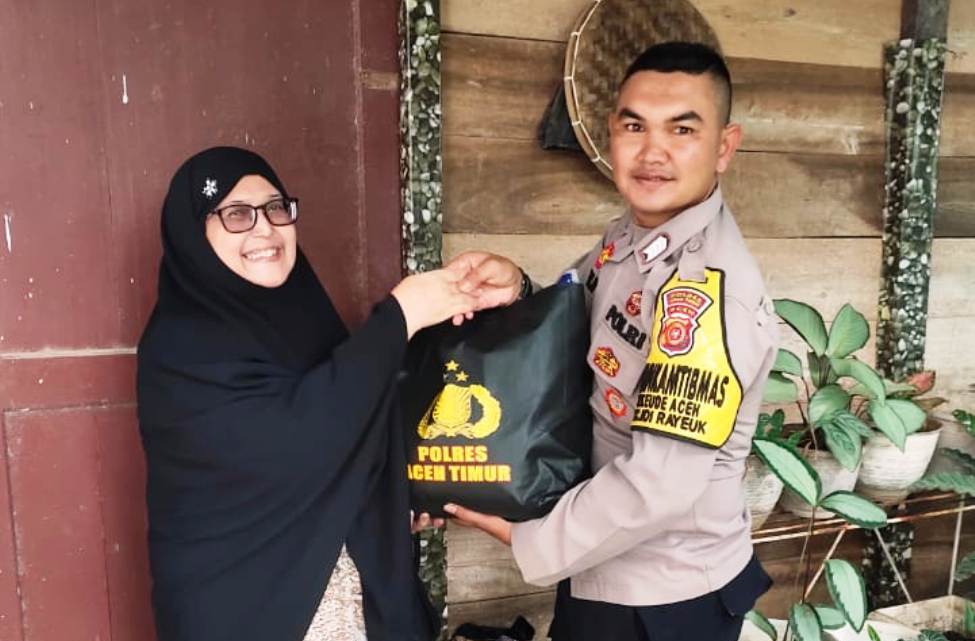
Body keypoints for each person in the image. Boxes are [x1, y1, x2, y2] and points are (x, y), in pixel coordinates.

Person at [444, 42, 778, 641]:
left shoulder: (703, 295)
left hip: (662, 600)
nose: (652, 153)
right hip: (601, 560)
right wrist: (520, 288)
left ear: (724, 147)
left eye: (682, 129)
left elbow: (659, 482)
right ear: (610, 134)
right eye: (634, 126)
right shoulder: (631, 236)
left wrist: (527, 537)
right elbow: (587, 321)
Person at [137, 146, 473, 641]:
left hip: (356, 611)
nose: (264, 229)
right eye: (236, 214)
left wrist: (395, 500)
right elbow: (289, 446)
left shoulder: (308, 323)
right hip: (247, 611)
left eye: (276, 208)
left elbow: (351, 434)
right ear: (195, 235)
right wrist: (398, 318)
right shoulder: (180, 350)